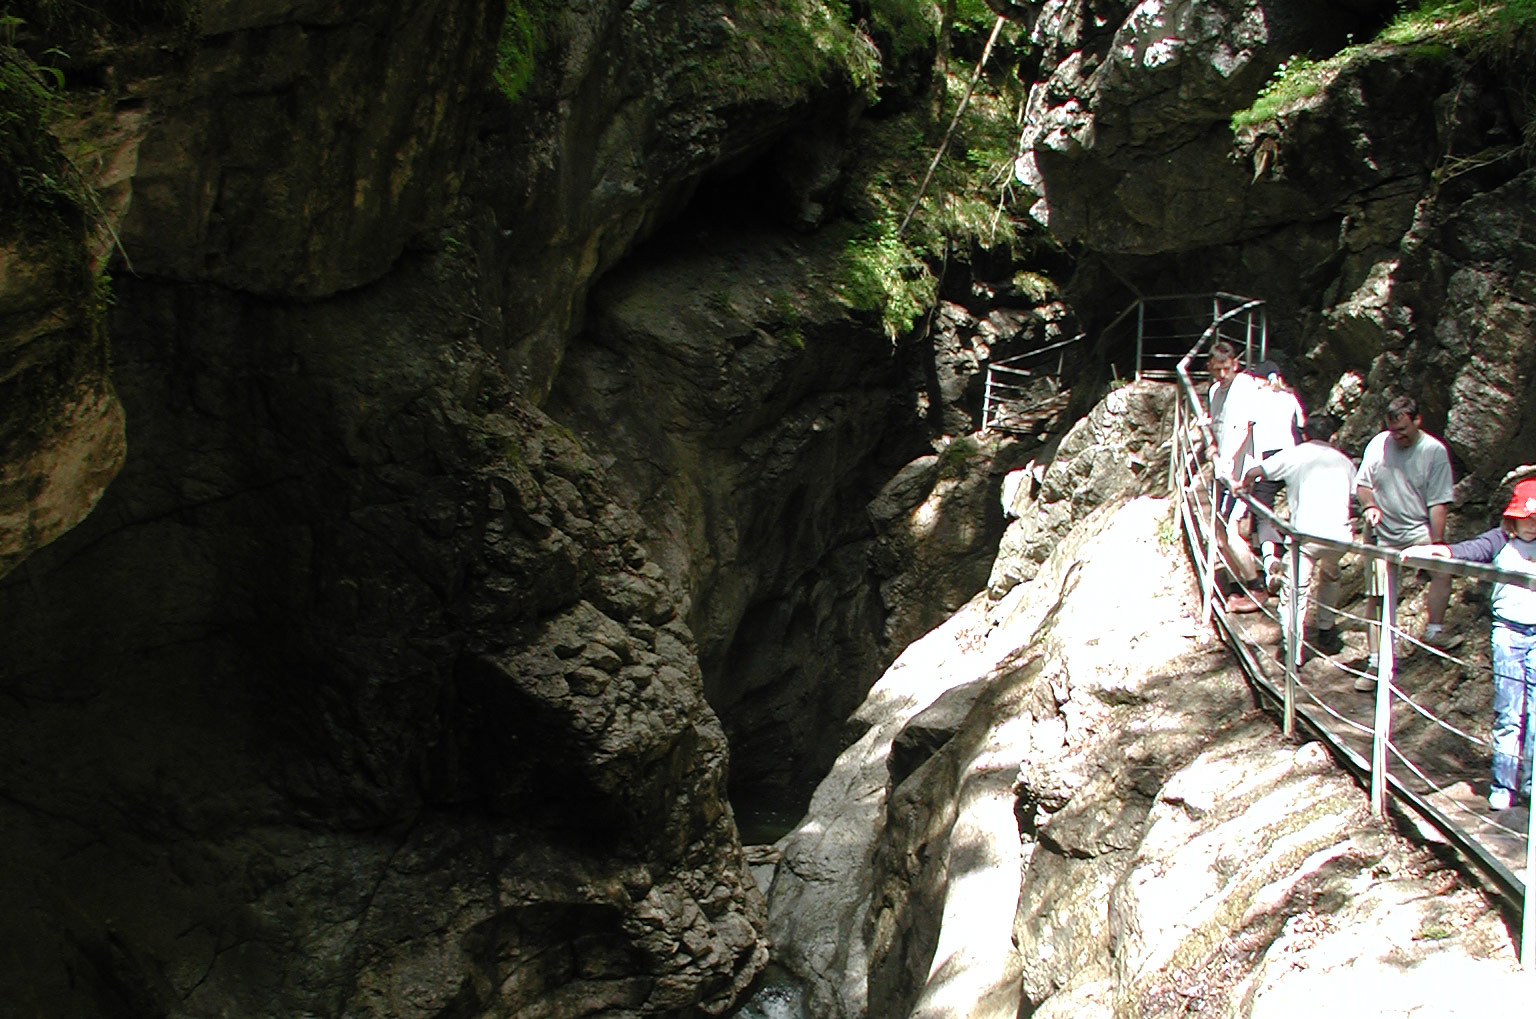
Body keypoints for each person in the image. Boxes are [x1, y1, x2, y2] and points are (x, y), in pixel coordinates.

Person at [1405, 479, 1536, 810]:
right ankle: (1503, 784)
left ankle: (1531, 785)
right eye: (1527, 516)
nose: (1532, 523)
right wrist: (1429, 551)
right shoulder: (1500, 540)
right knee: (1509, 712)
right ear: (1514, 517)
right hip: (1508, 633)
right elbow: (1465, 550)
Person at [1354, 395, 1456, 687]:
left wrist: (1437, 542)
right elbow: (1362, 485)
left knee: (1443, 570)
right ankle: (1376, 663)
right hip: (1381, 532)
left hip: (1417, 530)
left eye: (1403, 430)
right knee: (1377, 596)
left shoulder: (1434, 452)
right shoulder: (1379, 444)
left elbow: (1439, 502)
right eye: (1393, 430)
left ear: (1417, 420)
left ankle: (1435, 630)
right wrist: (1369, 505)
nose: (1397, 436)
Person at [1240, 413, 1351, 664]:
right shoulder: (1345, 462)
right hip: (1340, 537)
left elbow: (1259, 470)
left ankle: (1293, 653)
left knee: (1294, 595)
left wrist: (1245, 484)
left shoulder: (1295, 454)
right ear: (1331, 436)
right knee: (1331, 577)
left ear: (1304, 434)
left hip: (1306, 536)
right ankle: (1326, 628)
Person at [1206, 342, 1266, 611]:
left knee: (1231, 531)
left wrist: (1228, 460)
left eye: (1226, 369)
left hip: (1242, 471)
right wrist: (1213, 446)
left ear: (1235, 365)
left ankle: (1256, 587)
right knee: (1218, 533)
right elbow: (1217, 426)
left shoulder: (1245, 386)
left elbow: (1243, 427)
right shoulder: (1215, 391)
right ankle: (1237, 584)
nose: (1221, 375)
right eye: (1216, 370)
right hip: (1223, 470)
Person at [1245, 360, 1306, 592]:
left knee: (1262, 508)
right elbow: (1301, 425)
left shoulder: (1256, 398)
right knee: (1294, 503)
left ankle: (1270, 559)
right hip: (1292, 453)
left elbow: (1247, 428)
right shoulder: (1291, 398)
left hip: (1267, 456)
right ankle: (1292, 553)